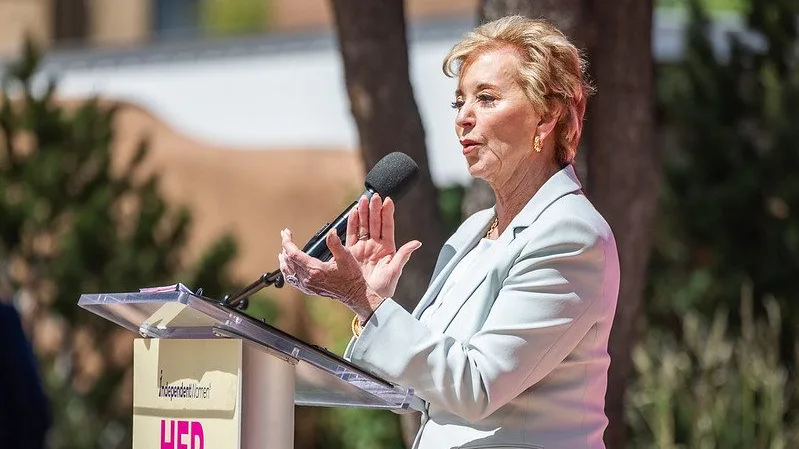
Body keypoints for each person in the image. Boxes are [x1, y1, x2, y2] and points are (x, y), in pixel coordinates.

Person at [279, 15, 620, 449]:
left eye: (487, 98)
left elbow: (476, 387)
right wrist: (369, 306)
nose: (464, 119)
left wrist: (365, 300)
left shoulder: (570, 235)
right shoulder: (473, 233)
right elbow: (424, 386)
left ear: (547, 115)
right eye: (460, 102)